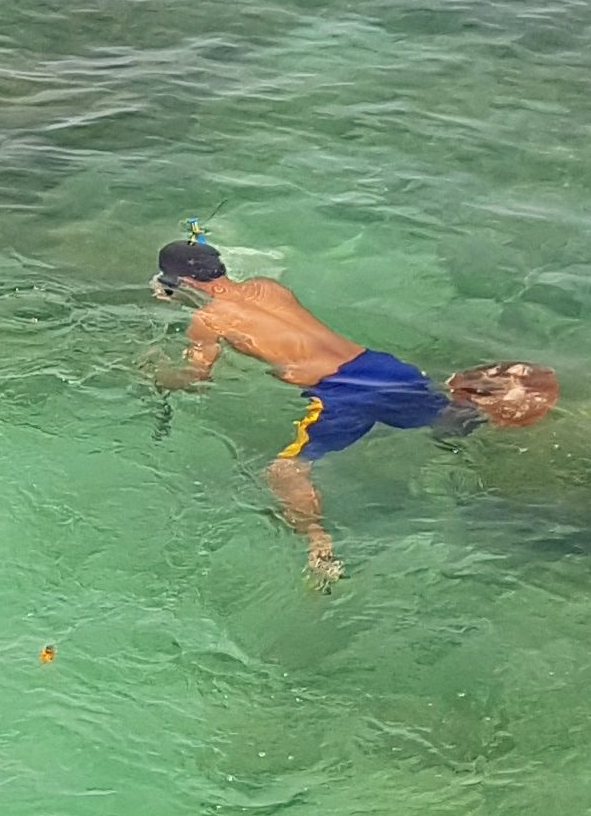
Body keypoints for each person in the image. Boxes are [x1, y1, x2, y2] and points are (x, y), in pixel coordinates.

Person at [147, 238, 556, 582]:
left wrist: (158, 373)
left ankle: (318, 544)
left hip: (338, 393)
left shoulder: (207, 320)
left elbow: (197, 376)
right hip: (378, 367)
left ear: (181, 281)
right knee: (446, 418)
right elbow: (258, 316)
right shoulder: (266, 286)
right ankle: (502, 405)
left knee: (283, 471)